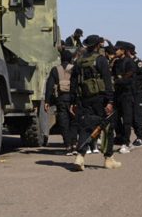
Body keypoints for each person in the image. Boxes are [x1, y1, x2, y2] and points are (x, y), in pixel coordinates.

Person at [69, 35, 118, 170]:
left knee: (86, 127)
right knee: (107, 127)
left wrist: (73, 102)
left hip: (84, 99)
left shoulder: (79, 61)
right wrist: (110, 100)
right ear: (97, 45)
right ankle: (108, 158)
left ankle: (80, 157)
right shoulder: (101, 60)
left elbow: (73, 83)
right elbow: (107, 81)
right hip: (101, 99)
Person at [45, 49, 76, 150]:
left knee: (63, 122)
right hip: (73, 99)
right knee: (74, 121)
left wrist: (47, 101)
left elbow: (49, 86)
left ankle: (68, 144)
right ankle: (74, 143)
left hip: (61, 99)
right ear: (71, 59)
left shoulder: (55, 69)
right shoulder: (75, 68)